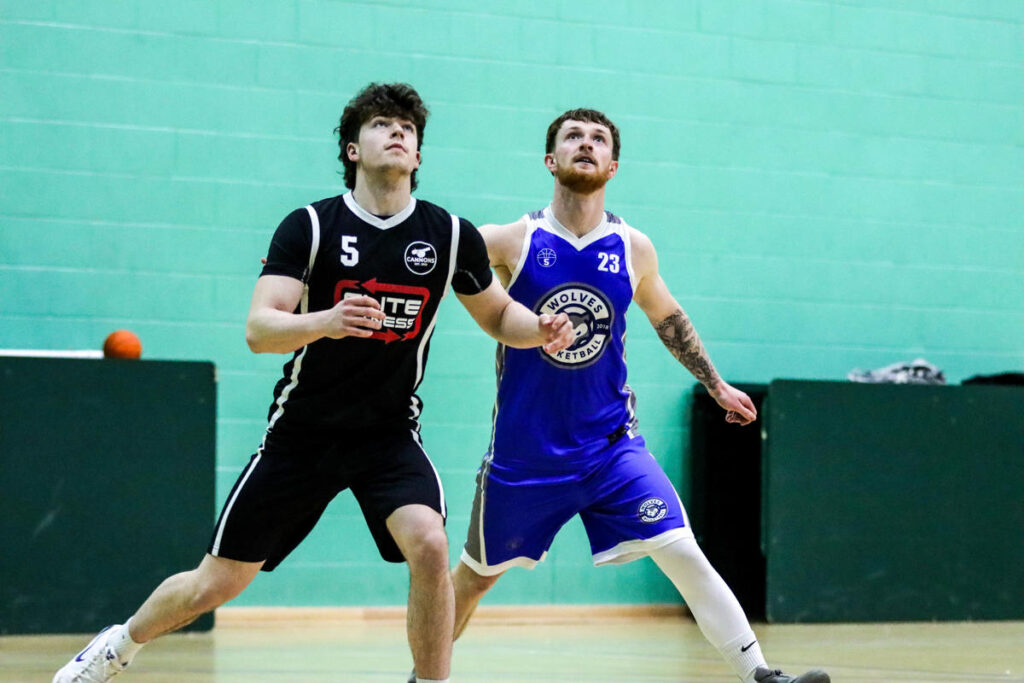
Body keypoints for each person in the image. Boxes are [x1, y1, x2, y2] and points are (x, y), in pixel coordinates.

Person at [52, 83, 572, 683]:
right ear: (352, 148)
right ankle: (117, 646)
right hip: (302, 433)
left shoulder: (450, 235)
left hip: (387, 434)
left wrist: (539, 329)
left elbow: (499, 315)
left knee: (430, 544)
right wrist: (325, 321)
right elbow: (259, 329)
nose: (397, 132)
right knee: (214, 583)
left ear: (418, 155)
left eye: (408, 128)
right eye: (381, 124)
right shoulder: (310, 226)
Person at [435, 109, 830, 683]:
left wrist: (716, 384)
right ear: (550, 160)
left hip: (611, 448)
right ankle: (423, 675)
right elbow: (440, 255)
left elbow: (668, 318)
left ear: (613, 166)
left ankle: (761, 675)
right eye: (573, 137)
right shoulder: (513, 239)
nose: (586, 144)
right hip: (526, 457)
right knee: (472, 579)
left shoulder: (632, 247)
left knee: (681, 548)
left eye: (598, 139)